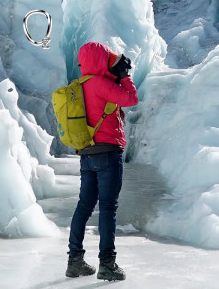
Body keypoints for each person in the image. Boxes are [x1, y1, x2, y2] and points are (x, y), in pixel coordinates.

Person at [65, 42, 138, 281]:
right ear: (100, 61)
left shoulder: (78, 86)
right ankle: (108, 264)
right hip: (108, 151)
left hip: (87, 152)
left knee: (84, 205)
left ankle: (74, 260)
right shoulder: (101, 84)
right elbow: (130, 99)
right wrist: (124, 76)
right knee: (108, 207)